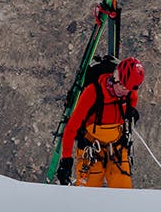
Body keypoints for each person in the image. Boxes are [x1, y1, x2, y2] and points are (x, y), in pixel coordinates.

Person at [55, 54, 144, 187]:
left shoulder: (130, 93)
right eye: (123, 86)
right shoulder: (93, 92)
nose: (125, 92)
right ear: (116, 78)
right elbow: (71, 127)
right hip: (91, 150)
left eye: (129, 89)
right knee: (87, 194)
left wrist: (131, 115)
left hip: (117, 149)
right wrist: (66, 160)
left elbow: (127, 112)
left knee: (123, 192)